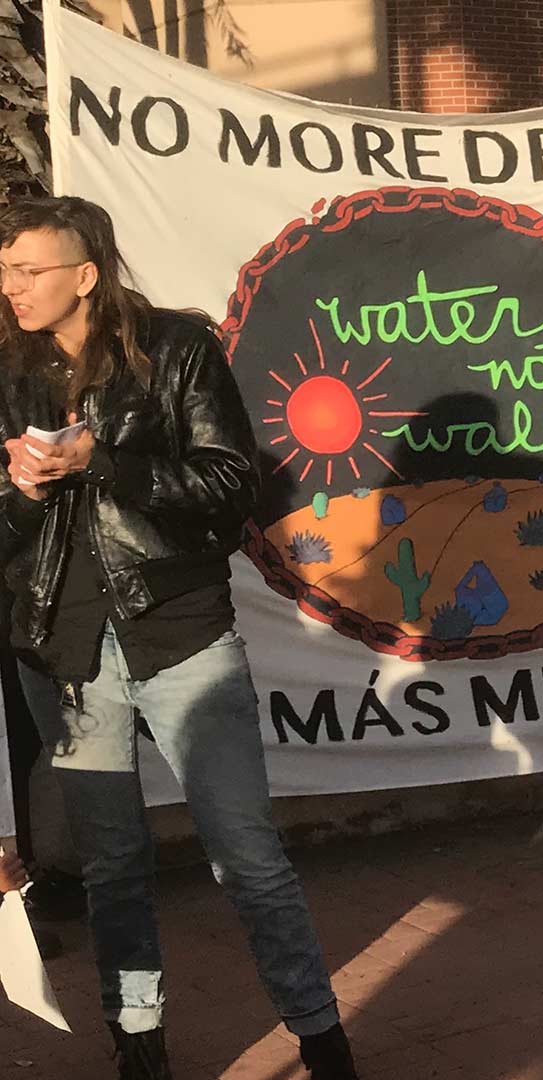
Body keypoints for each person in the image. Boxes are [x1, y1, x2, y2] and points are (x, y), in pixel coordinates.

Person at [0, 197, 357, 1079]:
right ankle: (141, 1049)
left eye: (29, 271)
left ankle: (322, 1040)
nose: (12, 288)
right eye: (5, 271)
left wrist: (103, 464)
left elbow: (232, 483)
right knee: (112, 865)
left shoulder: (177, 348)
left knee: (247, 855)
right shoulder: (8, 369)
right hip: (64, 652)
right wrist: (26, 493)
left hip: (181, 636)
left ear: (85, 276)